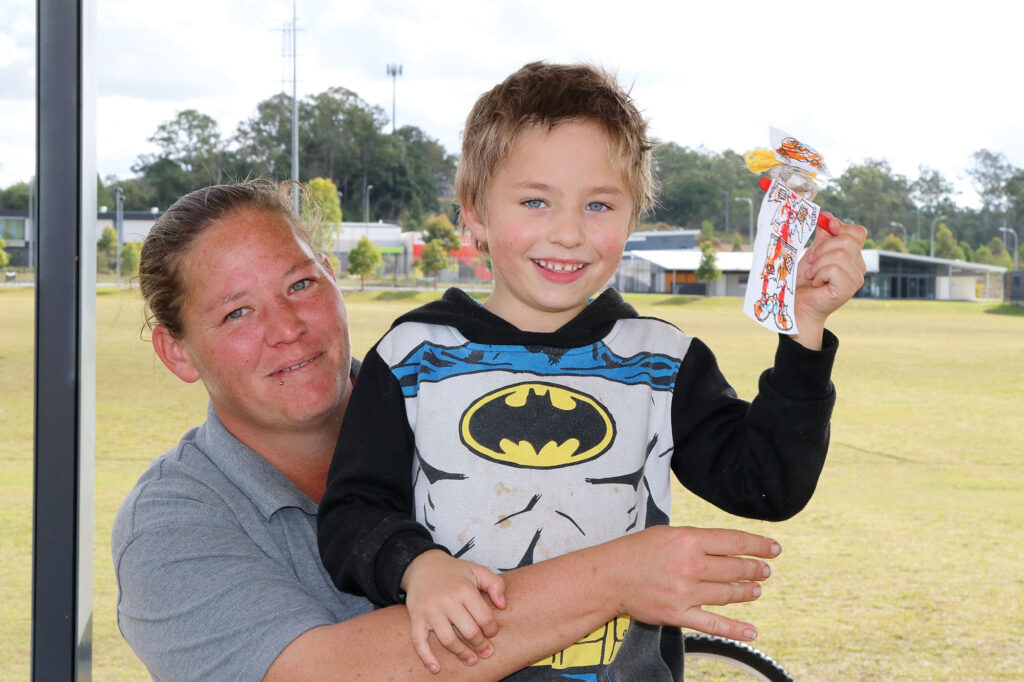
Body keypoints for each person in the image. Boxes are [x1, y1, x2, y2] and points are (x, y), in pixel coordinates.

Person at [316, 61, 868, 680]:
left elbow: (768, 483)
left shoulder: (659, 359)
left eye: (599, 204)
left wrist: (803, 334)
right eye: (535, 201)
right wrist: (418, 567)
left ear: (634, 216)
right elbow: (351, 514)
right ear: (474, 211)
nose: (569, 233)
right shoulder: (413, 356)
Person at [112, 178, 789, 681]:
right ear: (176, 351)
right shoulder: (172, 525)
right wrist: (618, 576)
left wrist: (806, 346)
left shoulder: (466, 388)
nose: (287, 328)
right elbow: (330, 674)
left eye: (300, 284)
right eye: (236, 313)